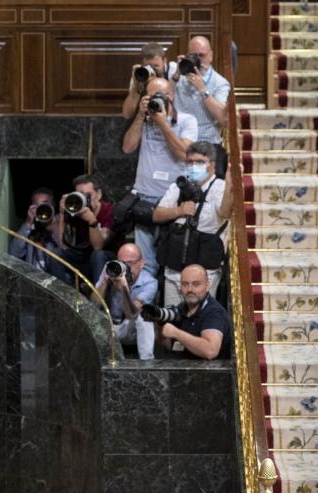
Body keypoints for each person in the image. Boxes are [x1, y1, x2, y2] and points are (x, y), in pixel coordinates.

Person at [122, 77, 198, 276]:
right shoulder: (144, 120)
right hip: (145, 199)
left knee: (172, 263)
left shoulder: (187, 121)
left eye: (160, 96)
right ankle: (145, 305)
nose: (156, 101)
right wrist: (139, 116)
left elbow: (184, 154)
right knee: (144, 264)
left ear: (171, 96)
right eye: (151, 96)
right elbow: (127, 147)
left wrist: (163, 124)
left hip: (173, 200)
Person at [153, 141, 232, 305]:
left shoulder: (220, 186)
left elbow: (225, 213)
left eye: (200, 162)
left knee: (201, 320)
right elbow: (157, 215)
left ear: (212, 165)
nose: (194, 166)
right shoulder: (180, 185)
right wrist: (178, 211)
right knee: (173, 318)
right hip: (175, 270)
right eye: (190, 162)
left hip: (204, 271)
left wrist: (231, 184)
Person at [173, 35, 231, 177]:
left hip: (207, 144)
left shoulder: (220, 83)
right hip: (180, 143)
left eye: (202, 56)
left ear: (210, 56)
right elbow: (165, 96)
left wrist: (203, 89)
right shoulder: (178, 76)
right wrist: (175, 76)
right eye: (194, 55)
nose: (198, 60)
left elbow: (222, 117)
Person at [94, 244, 158, 359]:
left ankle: (147, 362)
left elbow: (132, 314)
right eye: (123, 263)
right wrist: (104, 281)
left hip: (130, 328)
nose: (127, 268)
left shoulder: (150, 282)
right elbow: (94, 304)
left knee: (144, 316)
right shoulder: (112, 271)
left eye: (131, 263)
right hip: (110, 326)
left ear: (142, 263)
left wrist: (124, 289)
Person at [160, 264, 232, 360]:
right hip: (182, 369)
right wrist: (159, 326)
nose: (190, 289)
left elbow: (211, 351)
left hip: (210, 373)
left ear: (207, 286)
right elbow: (169, 347)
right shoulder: (181, 308)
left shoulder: (214, 312)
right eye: (185, 284)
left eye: (196, 284)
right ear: (180, 287)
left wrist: (176, 333)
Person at [55, 175, 115, 284]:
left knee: (97, 255)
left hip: (105, 262)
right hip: (82, 259)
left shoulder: (109, 211)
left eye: (88, 195)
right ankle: (61, 296)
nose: (85, 199)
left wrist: (91, 220)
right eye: (80, 195)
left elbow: (98, 247)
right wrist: (63, 213)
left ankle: (97, 299)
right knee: (57, 253)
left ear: (99, 194)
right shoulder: (76, 209)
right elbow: (62, 246)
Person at [8, 188, 67, 282]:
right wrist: (27, 223)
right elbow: (14, 253)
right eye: (38, 205)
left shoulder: (61, 222)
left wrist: (52, 226)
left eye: (46, 204)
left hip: (57, 281)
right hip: (34, 282)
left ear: (53, 206)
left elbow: (65, 251)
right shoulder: (29, 227)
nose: (42, 208)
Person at [121, 42, 177, 120]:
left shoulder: (173, 70)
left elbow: (179, 105)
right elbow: (127, 114)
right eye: (149, 66)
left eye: (156, 66)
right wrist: (137, 86)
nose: (152, 70)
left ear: (164, 61)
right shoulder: (141, 74)